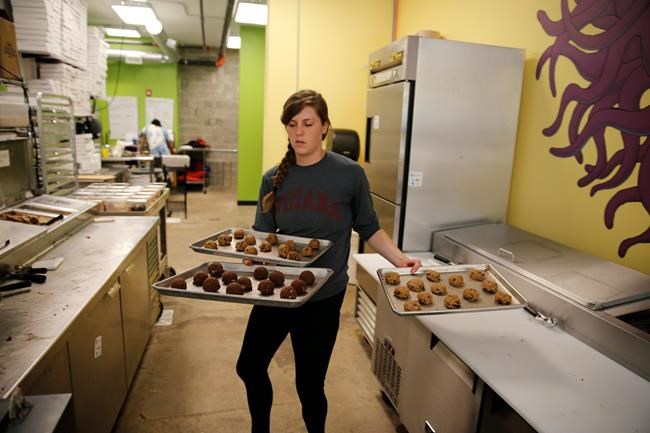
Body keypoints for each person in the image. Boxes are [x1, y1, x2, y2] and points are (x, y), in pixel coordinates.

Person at [236, 89, 421, 433]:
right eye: (292, 124)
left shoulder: (349, 174)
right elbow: (263, 236)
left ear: (324, 127)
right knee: (249, 366)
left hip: (322, 298)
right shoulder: (273, 178)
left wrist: (400, 259)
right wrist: (249, 257)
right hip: (278, 290)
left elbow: (368, 226)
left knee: (309, 385)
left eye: (308, 124)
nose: (299, 132)